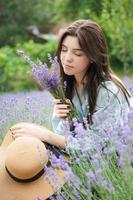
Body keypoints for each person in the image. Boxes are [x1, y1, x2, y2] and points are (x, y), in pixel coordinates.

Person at [10, 19, 132, 151]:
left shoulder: (108, 92)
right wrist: (60, 118)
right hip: (84, 160)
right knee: (19, 135)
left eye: (77, 53)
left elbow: (98, 146)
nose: (67, 58)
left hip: (119, 160)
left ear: (92, 57)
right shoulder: (69, 85)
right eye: (64, 50)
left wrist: (45, 135)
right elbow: (66, 141)